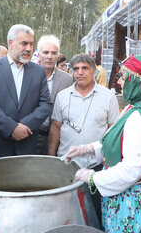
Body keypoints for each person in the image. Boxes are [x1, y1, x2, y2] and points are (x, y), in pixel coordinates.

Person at [65, 54, 141, 232]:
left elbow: (131, 170)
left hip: (138, 203)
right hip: (133, 197)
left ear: (138, 81)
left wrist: (93, 177)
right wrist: (87, 149)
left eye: (124, 78)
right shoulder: (137, 106)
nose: (119, 83)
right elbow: (116, 139)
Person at [48, 53, 119, 222]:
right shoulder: (62, 96)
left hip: (97, 167)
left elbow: (114, 130)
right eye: (76, 69)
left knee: (96, 213)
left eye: (85, 68)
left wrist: (109, 162)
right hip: (66, 165)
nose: (80, 73)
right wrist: (51, 159)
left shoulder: (108, 96)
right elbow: (55, 128)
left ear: (94, 70)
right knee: (66, 213)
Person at [0, 24, 52, 160]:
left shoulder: (38, 71)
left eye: (31, 44)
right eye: (24, 43)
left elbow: (46, 104)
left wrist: (24, 126)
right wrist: (11, 128)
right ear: (10, 43)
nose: (29, 49)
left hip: (26, 144)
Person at [35, 35, 73, 155]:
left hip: (57, 138)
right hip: (30, 136)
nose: (49, 56)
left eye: (53, 53)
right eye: (45, 52)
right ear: (39, 54)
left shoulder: (68, 80)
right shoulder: (27, 76)